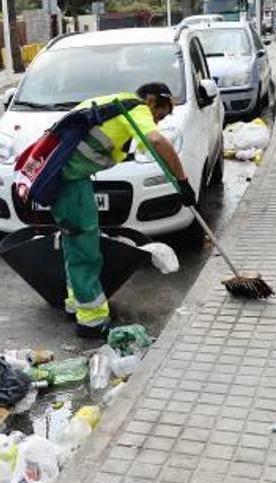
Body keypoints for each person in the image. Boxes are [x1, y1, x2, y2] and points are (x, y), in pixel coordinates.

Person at [52, 82, 195, 338]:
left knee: (74, 245)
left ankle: (76, 304)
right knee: (85, 250)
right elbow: (155, 140)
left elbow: (141, 145)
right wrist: (182, 181)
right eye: (159, 115)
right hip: (69, 183)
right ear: (151, 100)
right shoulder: (137, 108)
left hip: (66, 180)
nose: (157, 122)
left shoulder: (118, 103)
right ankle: (92, 322)